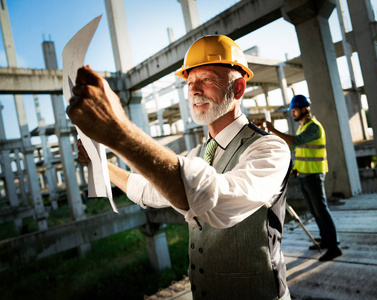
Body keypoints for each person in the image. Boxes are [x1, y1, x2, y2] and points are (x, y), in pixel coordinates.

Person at [68, 35, 292, 300]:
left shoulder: (269, 149)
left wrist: (120, 133)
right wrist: (102, 165)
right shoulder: (199, 154)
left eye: (207, 79)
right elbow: (148, 189)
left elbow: (216, 201)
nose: (195, 90)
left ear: (239, 89)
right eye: (189, 82)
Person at [263, 95, 342, 261]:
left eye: (295, 110)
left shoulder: (314, 127)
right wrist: (296, 168)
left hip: (314, 175)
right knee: (314, 211)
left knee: (322, 210)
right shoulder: (302, 127)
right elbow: (296, 148)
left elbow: (297, 141)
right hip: (305, 175)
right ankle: (326, 239)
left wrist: (273, 130)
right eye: (292, 111)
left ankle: (334, 246)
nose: (293, 113)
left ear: (304, 109)